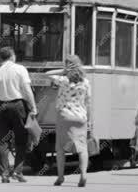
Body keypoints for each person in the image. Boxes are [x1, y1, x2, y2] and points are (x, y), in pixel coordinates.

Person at [0, 46, 37, 183]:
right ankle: (17, 171)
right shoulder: (20, 69)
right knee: (21, 140)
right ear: (12, 56)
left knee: (3, 142)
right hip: (17, 105)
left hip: (1, 106)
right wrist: (33, 107)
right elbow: (27, 90)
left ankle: (4, 174)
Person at [46, 55, 93, 188]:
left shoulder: (64, 80)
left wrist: (63, 71)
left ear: (68, 66)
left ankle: (61, 177)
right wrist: (88, 119)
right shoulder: (86, 82)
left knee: (60, 148)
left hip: (65, 116)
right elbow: (88, 102)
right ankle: (83, 174)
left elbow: (47, 74)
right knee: (82, 148)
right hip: (81, 117)